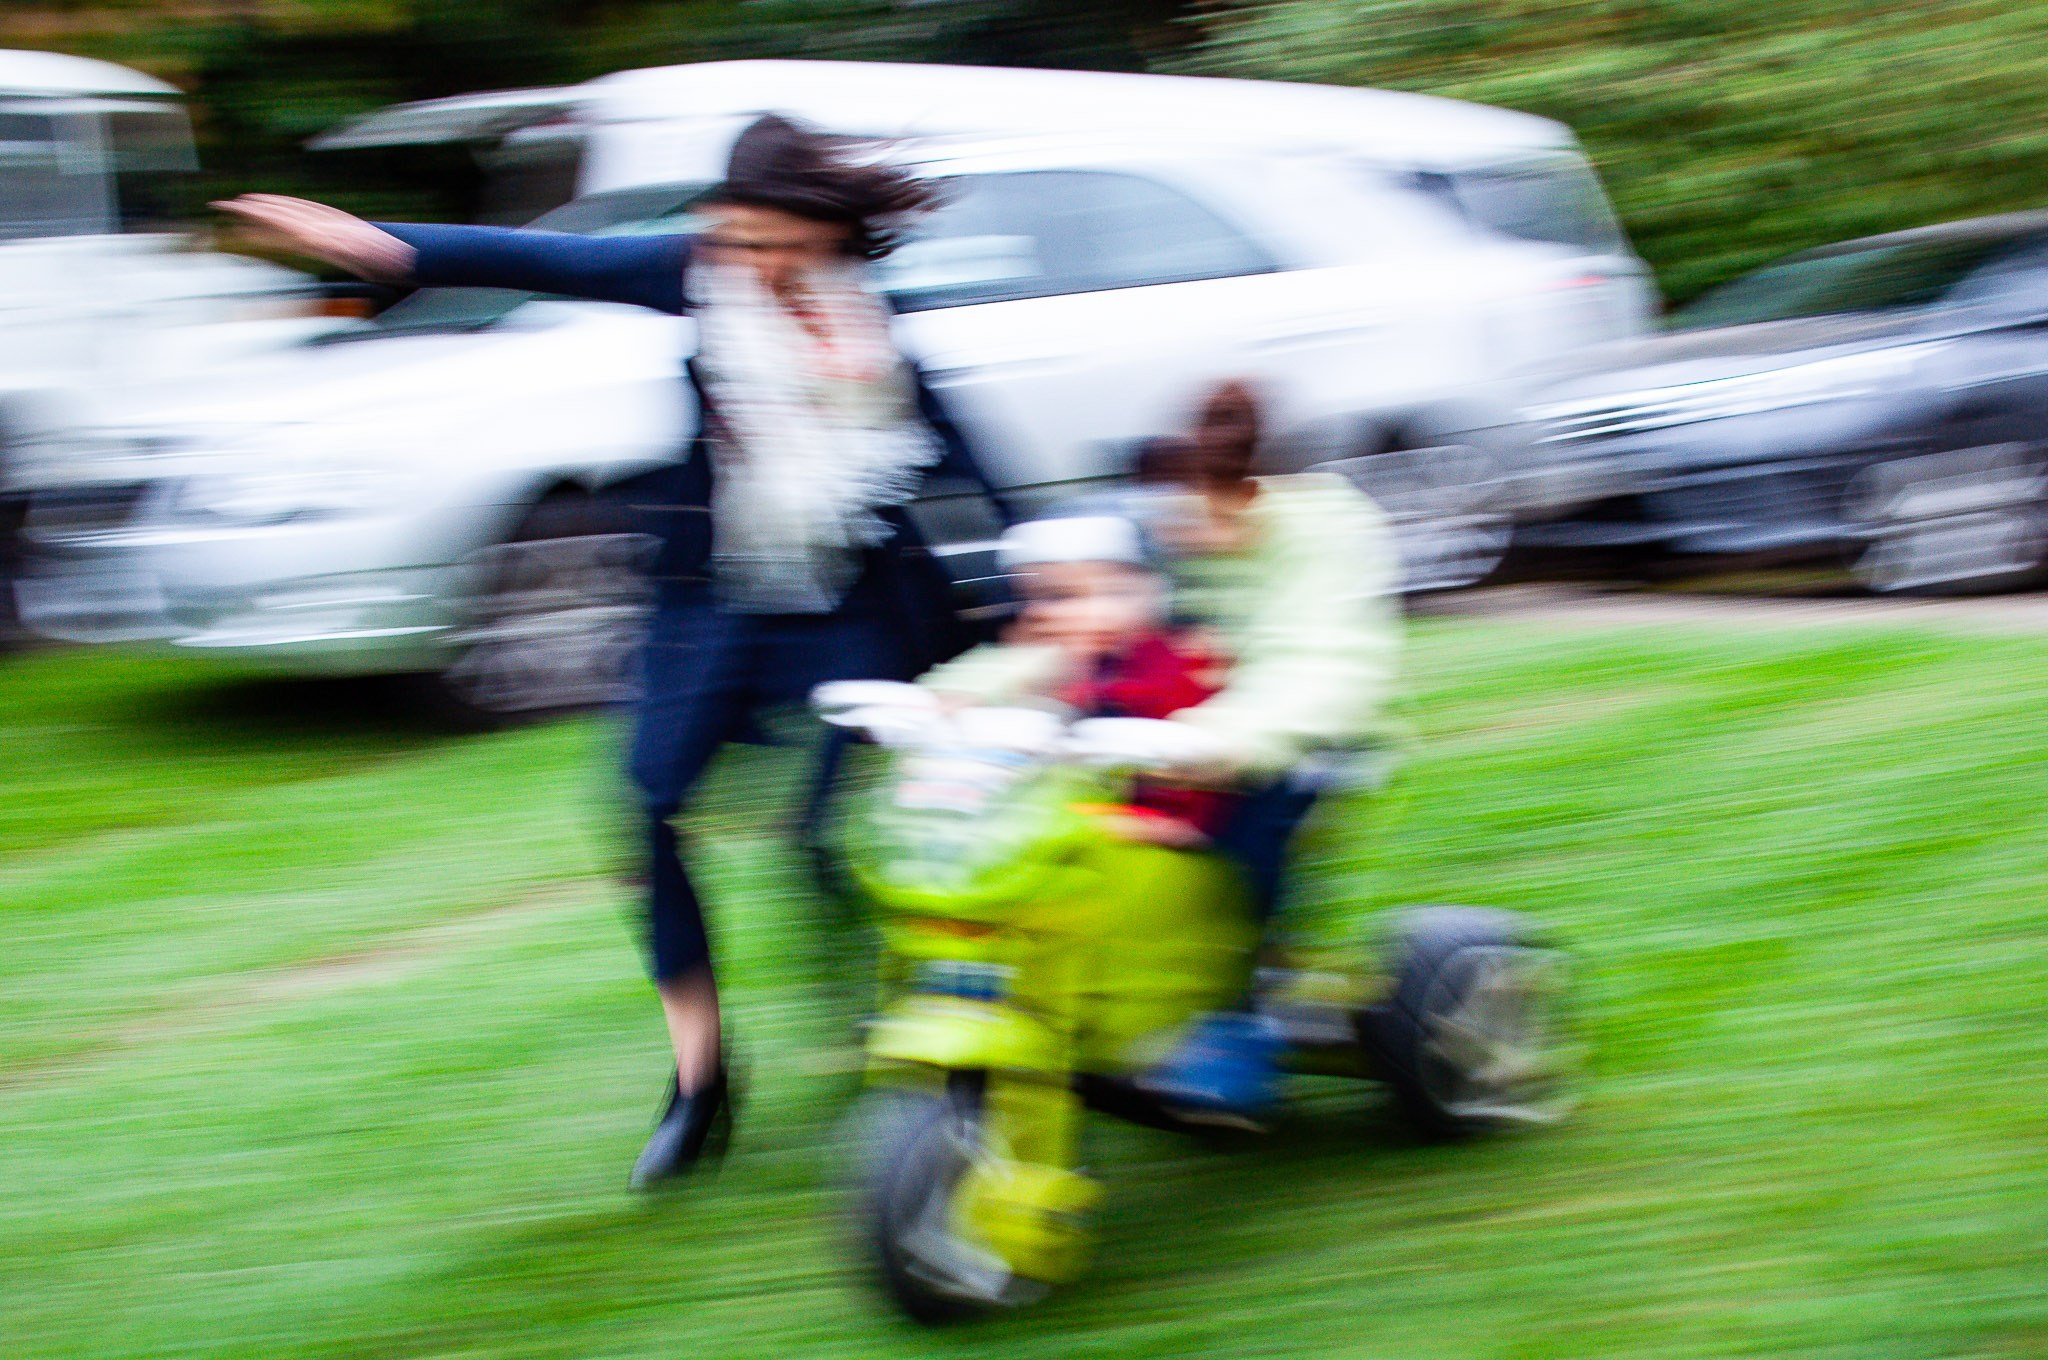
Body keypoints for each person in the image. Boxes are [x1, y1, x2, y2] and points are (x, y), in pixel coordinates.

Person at [216, 115, 1007, 1189]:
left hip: (846, 605)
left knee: (825, 838)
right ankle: (701, 1081)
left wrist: (1040, 575)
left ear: (826, 229)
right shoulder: (699, 276)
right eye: (740, 239)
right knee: (645, 806)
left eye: (777, 241)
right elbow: (545, 260)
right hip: (713, 602)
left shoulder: (872, 321)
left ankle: (903, 1034)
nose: (756, 261)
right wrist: (385, 248)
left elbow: (959, 457)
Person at [1123, 380, 1404, 1121]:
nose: (1191, 537)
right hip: (1173, 737)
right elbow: (1090, 631)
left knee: (1251, 830)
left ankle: (1242, 1011)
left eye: (1212, 518)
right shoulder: (1160, 538)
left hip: (1304, 738)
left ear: (1257, 489)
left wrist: (1230, 737)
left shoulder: (1323, 534)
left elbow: (1319, 661)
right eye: (1179, 518)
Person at [922, 512, 1236, 847]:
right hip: (1061, 824)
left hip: (1157, 837)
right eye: (1040, 599)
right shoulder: (1044, 658)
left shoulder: (1177, 661)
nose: (1041, 613)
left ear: (1143, 595)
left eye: (1062, 597)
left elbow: (1187, 800)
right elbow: (978, 688)